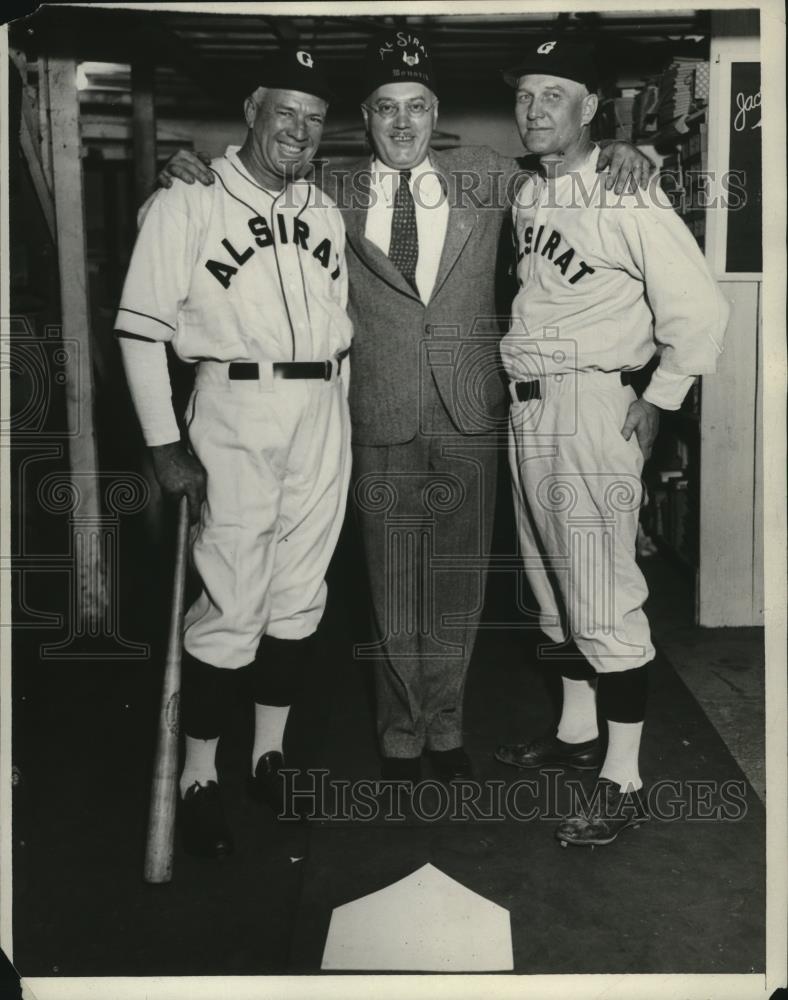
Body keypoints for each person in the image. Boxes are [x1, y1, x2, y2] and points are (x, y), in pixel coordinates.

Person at [159, 28, 652, 785]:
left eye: (416, 107)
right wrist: (179, 167)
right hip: (376, 414)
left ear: (435, 114)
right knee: (391, 584)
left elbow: (570, 170)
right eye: (386, 108)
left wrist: (627, 150)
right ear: (364, 116)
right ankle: (398, 733)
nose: (401, 123)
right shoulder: (326, 187)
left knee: (457, 583)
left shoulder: (489, 177)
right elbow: (242, 187)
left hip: (470, 409)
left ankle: (446, 727)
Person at [115, 47, 352, 858]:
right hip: (234, 402)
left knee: (299, 594)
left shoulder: (324, 208)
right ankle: (200, 773)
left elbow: (339, 331)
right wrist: (163, 445)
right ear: (252, 108)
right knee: (230, 598)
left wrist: (336, 419)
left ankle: (270, 757)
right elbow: (141, 332)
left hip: (323, 408)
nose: (299, 129)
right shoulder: (187, 200)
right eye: (285, 110)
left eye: (315, 117)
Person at [495, 38, 729, 845]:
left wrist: (660, 396)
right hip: (530, 410)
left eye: (552, 95)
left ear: (590, 108)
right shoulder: (530, 195)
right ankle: (574, 735)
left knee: (603, 596)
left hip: (593, 406)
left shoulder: (628, 191)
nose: (534, 111)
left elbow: (699, 312)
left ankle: (623, 779)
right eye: (525, 96)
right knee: (554, 588)